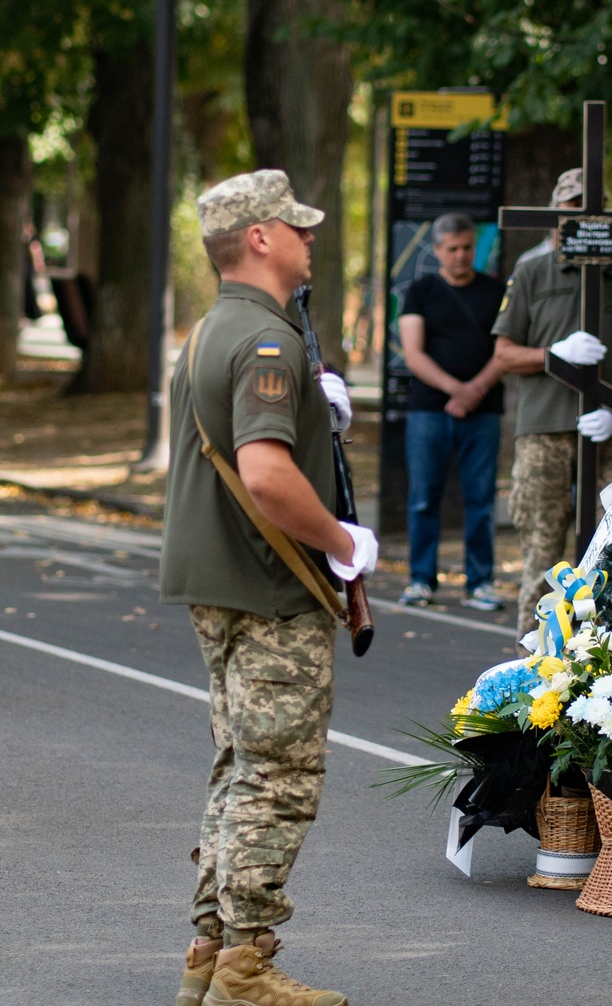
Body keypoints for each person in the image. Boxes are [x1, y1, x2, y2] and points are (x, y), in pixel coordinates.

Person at [162, 169, 376, 1006]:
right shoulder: (266, 341)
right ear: (258, 237)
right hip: (267, 583)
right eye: (297, 226)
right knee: (278, 774)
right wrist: (342, 538)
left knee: (237, 768)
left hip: (221, 580)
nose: (310, 236)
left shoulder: (217, 328)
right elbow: (266, 475)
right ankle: (245, 964)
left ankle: (210, 949)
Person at [492, 167, 612, 627]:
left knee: (611, 547)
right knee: (541, 548)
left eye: (591, 208)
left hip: (608, 432)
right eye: (571, 207)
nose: (581, 217)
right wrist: (553, 353)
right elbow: (505, 353)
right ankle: (530, 661)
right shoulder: (531, 272)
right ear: (555, 213)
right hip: (544, 431)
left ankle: (605, 656)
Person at [395, 213, 505, 611]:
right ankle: (421, 579)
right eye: (453, 249)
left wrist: (476, 390)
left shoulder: (494, 291)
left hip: (484, 409)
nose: (461, 256)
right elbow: (413, 352)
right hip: (429, 410)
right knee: (424, 497)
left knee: (481, 499)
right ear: (438, 250)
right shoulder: (420, 291)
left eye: (467, 249)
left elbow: (504, 349)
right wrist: (456, 389)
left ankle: (480, 582)